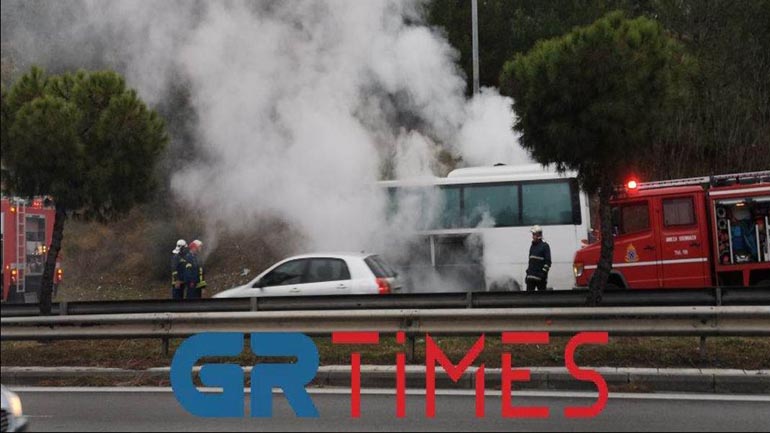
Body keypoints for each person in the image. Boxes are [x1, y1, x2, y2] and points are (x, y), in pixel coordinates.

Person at [525, 225, 551, 291]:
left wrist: (543, 274)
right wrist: (527, 274)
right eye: (532, 234)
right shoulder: (532, 246)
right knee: (529, 299)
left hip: (540, 279)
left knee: (542, 298)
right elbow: (530, 262)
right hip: (530, 278)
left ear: (539, 235)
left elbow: (548, 262)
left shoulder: (545, 246)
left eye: (534, 234)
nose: (532, 236)